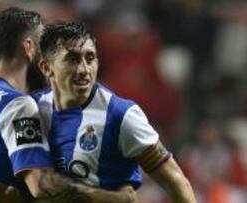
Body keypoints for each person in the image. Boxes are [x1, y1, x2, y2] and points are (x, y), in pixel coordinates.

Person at [0, 7, 137, 203]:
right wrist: (114, 198)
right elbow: (42, 185)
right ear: (29, 48)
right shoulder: (16, 105)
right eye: (44, 46)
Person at [32, 22, 197, 203]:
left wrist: (72, 191)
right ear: (47, 68)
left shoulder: (120, 114)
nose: (84, 69)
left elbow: (175, 181)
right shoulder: (28, 112)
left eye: (90, 58)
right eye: (72, 59)